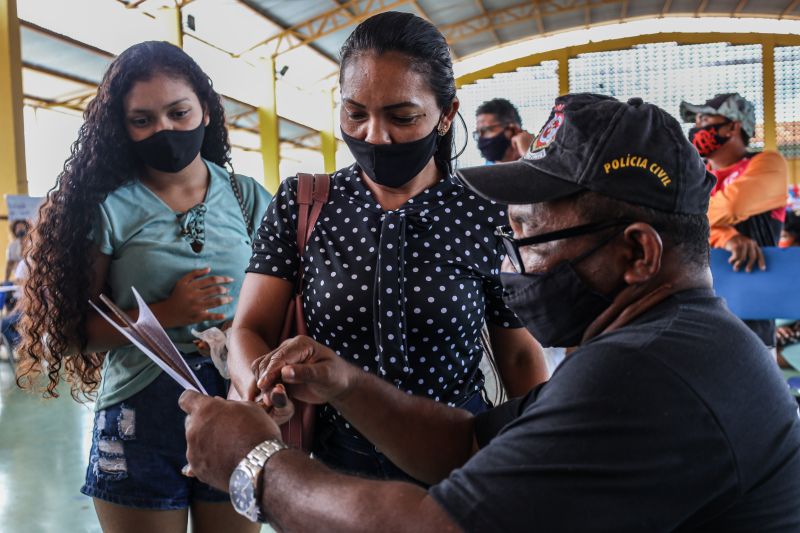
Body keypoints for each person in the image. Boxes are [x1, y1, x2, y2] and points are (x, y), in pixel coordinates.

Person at [181, 94, 800, 532]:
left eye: (530, 234)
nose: (513, 261)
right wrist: (346, 383)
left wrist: (255, 466)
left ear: (637, 252)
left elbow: (435, 527)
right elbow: (470, 442)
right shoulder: (666, 342)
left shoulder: (650, 373)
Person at [227, 11, 546, 482]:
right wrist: (263, 384)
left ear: (447, 114)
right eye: (355, 113)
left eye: (402, 117)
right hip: (338, 467)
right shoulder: (304, 202)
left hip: (458, 461)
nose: (374, 136)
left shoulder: (484, 211)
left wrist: (543, 453)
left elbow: (518, 355)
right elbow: (248, 327)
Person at [15, 41, 270, 533]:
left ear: (204, 110)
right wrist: (167, 312)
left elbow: (277, 311)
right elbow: (73, 336)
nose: (164, 130)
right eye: (143, 120)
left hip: (234, 405)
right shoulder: (111, 209)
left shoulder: (246, 199)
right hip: (139, 415)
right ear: (123, 128)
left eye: (178, 113)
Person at [681, 92, 788, 348]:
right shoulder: (696, 175)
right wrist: (726, 236)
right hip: (697, 304)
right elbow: (677, 224)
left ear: (732, 126)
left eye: (705, 120)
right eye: (695, 122)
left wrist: (692, 215)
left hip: (752, 310)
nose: (697, 129)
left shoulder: (767, 164)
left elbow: (730, 205)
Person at [473, 98, 532, 163]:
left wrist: (530, 154)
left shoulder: (540, 163)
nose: (481, 137)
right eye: (478, 133)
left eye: (487, 130)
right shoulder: (485, 170)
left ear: (514, 130)